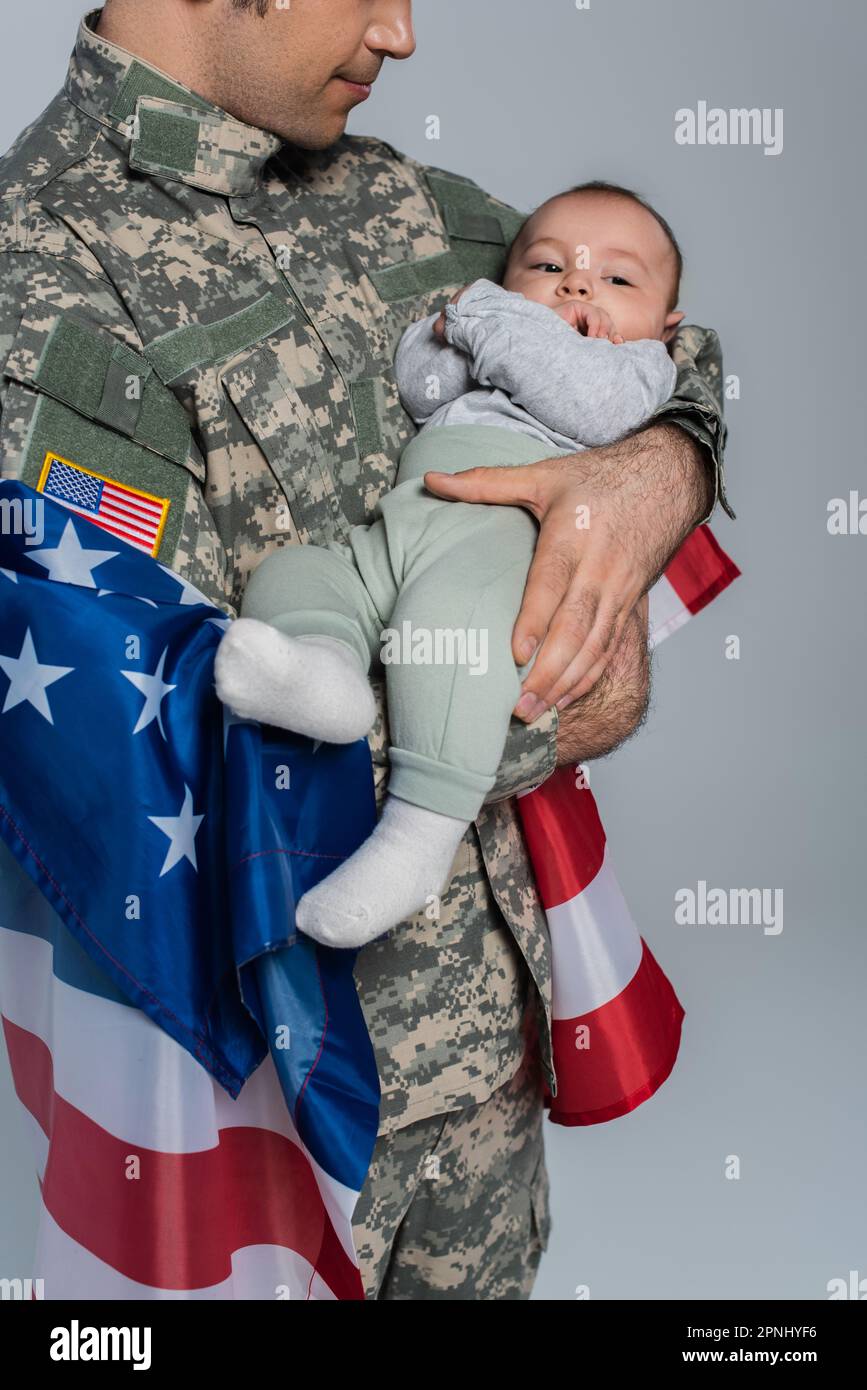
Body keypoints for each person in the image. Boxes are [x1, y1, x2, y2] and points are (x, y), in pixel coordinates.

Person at [0, 1, 733, 1299]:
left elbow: (646, 320)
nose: (399, 33)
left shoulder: (403, 200)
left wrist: (657, 470)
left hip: (485, 1044)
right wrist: (570, 692)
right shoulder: (38, 275)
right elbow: (135, 734)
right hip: (269, 1077)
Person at [215, 181, 685, 947]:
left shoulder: (638, 369)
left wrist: (487, 321)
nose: (575, 283)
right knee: (301, 574)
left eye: (616, 279)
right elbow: (423, 386)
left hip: (500, 535)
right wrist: (455, 331)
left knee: (451, 631)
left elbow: (586, 405)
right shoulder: (490, 321)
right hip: (408, 512)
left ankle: (414, 842)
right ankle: (325, 674)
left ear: (665, 327)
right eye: (545, 266)